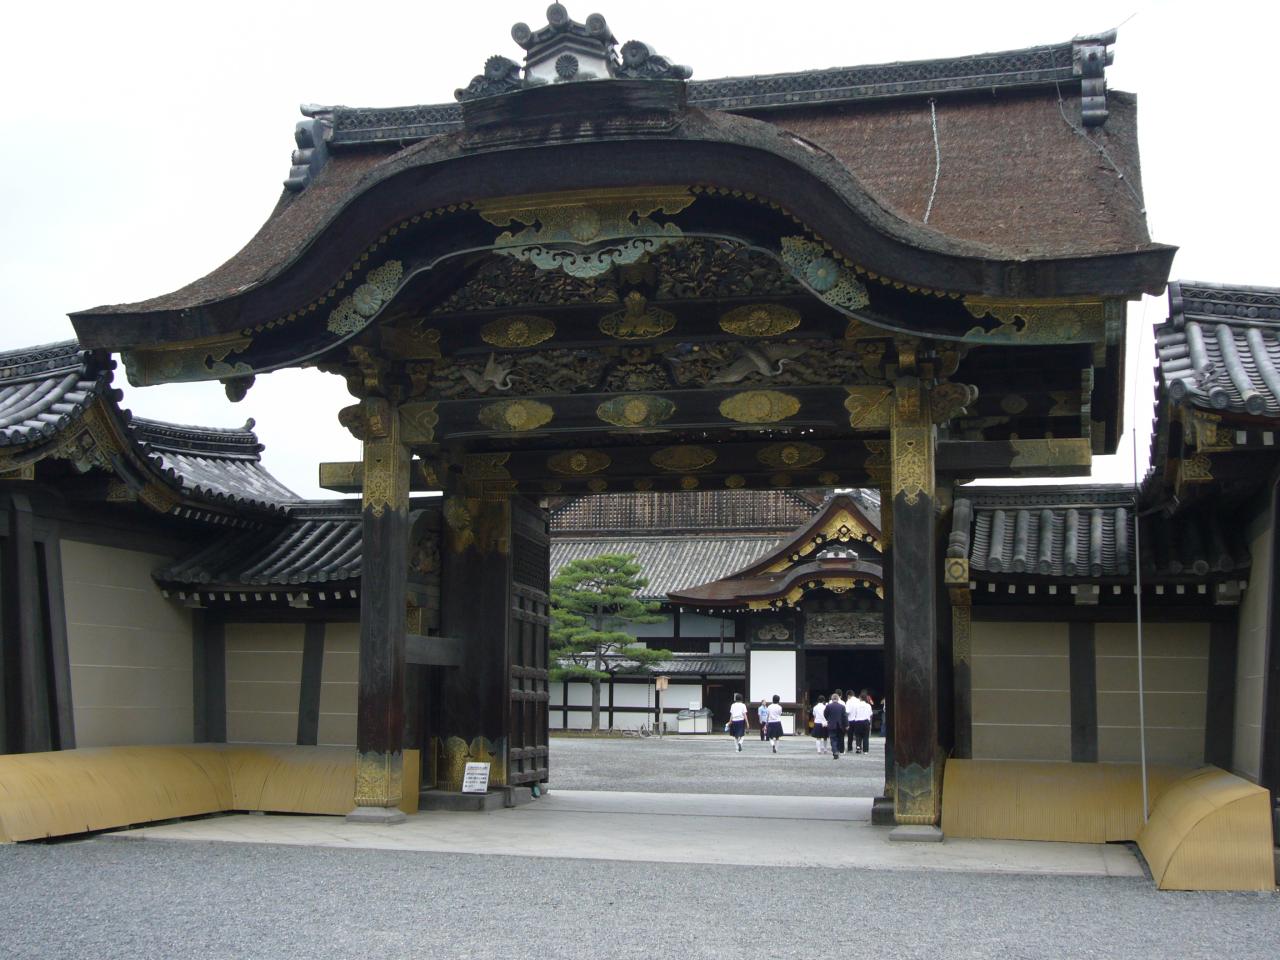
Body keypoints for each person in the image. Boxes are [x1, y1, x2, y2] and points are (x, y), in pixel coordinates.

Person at [824, 688, 847, 759]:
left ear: (832, 699)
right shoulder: (842, 707)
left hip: (831, 725)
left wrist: (829, 719)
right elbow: (844, 716)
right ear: (838, 699)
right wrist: (847, 725)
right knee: (840, 739)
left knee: (833, 739)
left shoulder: (828, 706)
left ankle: (835, 751)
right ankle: (839, 750)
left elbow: (825, 714)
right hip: (840, 725)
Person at [850, 689, 873, 755]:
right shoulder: (868, 706)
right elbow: (870, 714)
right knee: (866, 736)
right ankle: (865, 750)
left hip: (858, 722)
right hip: (866, 722)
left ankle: (858, 748)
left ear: (860, 698)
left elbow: (854, 714)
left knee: (858, 736)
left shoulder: (856, 705)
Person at [845, 690, 859, 754]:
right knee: (857, 735)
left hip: (850, 720)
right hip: (857, 720)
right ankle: (858, 748)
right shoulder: (858, 700)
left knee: (850, 735)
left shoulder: (849, 701)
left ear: (848, 695)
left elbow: (847, 711)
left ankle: (850, 748)